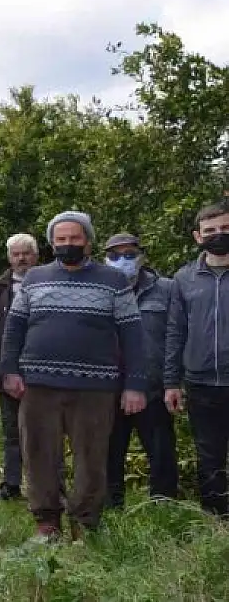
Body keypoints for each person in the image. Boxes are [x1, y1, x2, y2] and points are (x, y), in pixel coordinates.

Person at [1, 211, 147, 541]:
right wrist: (9, 370)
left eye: (75, 238)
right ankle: (46, 522)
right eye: (61, 239)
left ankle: (84, 523)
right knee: (38, 454)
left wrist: (135, 384)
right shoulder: (34, 278)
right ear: (52, 243)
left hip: (94, 388)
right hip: (38, 386)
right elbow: (14, 328)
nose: (68, 244)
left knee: (91, 457)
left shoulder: (113, 281)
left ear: (88, 242)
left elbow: (133, 336)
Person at [102, 233, 178, 508]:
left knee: (162, 454)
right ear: (104, 259)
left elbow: (175, 336)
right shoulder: (98, 290)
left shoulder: (167, 289)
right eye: (114, 255)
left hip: (152, 387)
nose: (123, 261)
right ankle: (111, 512)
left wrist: (172, 380)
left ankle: (165, 508)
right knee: (110, 454)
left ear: (142, 256)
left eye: (130, 254)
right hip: (109, 387)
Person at [165, 200, 229, 517]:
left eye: (225, 229)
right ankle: (217, 520)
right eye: (211, 231)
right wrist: (171, 383)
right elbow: (175, 333)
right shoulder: (183, 279)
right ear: (197, 236)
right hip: (201, 382)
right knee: (210, 455)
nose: (218, 235)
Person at [0, 233, 40, 500]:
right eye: (16, 254)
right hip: (7, 371)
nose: (21, 258)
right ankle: (12, 483)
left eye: (26, 253)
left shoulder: (48, 282)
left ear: (36, 256)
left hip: (41, 372)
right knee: (11, 432)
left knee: (44, 431)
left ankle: (47, 484)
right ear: (9, 257)